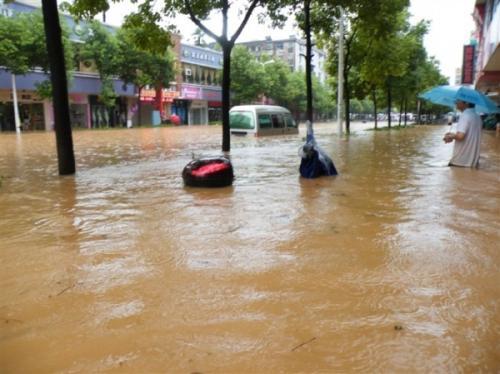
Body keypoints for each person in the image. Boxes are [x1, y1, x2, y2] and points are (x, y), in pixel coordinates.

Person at [443, 99, 482, 167]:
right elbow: (469, 135)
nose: (455, 102)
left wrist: (449, 136)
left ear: (466, 102)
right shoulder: (477, 117)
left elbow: (460, 136)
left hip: (460, 161)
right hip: (473, 162)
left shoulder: (465, 115)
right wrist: (452, 135)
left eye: (458, 100)